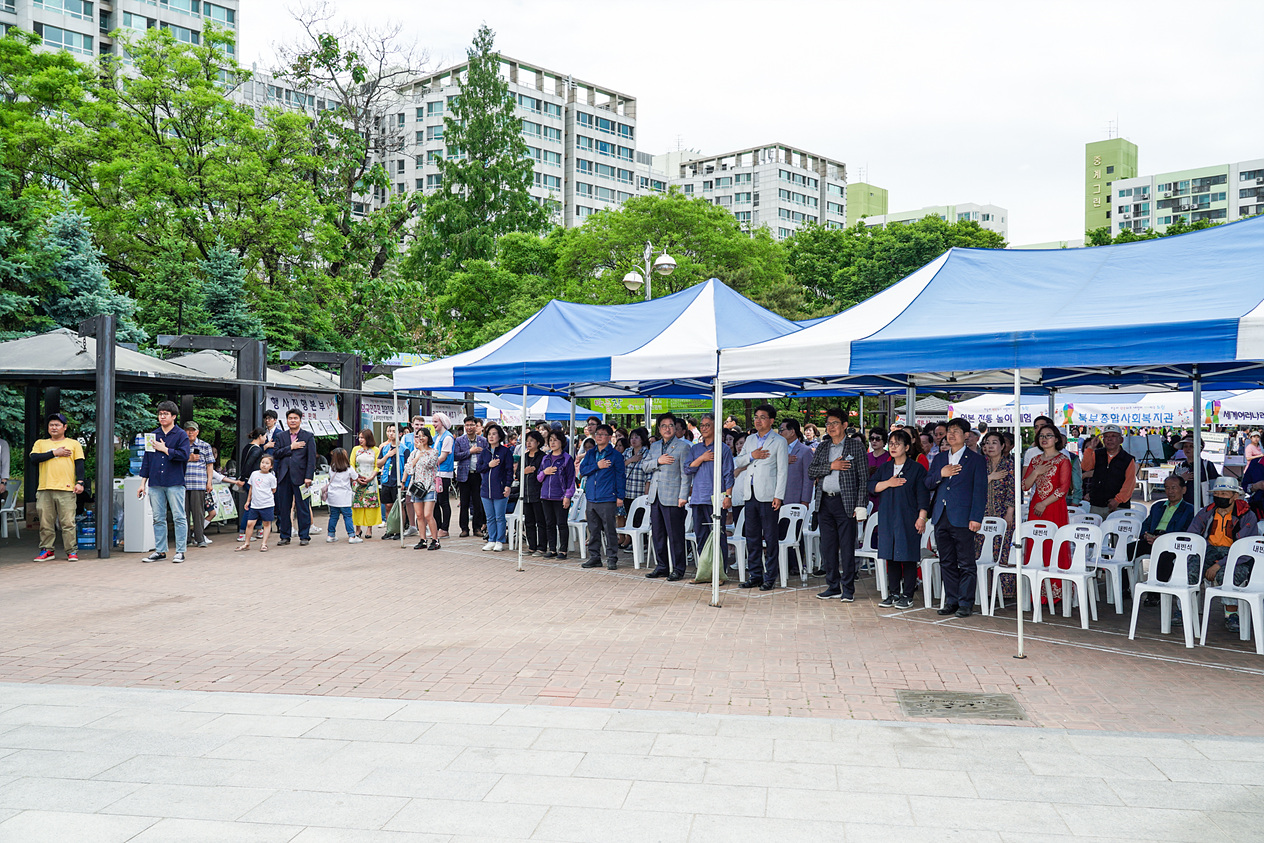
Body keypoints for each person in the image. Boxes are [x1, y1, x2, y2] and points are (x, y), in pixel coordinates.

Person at [924, 418, 987, 617]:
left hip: (963, 517)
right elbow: (928, 483)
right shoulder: (940, 458)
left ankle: (966, 603)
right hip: (941, 516)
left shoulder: (976, 459)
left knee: (966, 562)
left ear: (967, 435)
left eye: (956, 431)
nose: (951, 435)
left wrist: (976, 517)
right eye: (949, 431)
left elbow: (980, 491)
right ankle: (951, 600)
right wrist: (940, 474)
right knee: (946, 561)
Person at [1185, 478, 1259, 632]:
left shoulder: (1247, 515)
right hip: (1208, 550)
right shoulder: (1206, 512)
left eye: (1224, 493)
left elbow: (1244, 548)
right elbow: (1192, 535)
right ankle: (1183, 610)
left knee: (1228, 576)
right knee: (1188, 570)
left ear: (1235, 496)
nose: (1220, 497)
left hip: (1236, 555)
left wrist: (1219, 564)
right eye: (1217, 493)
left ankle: (1231, 614)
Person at [808, 408, 868, 600]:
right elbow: (811, 471)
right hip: (825, 501)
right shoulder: (823, 447)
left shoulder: (855, 447)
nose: (830, 427)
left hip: (846, 503)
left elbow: (863, 478)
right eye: (828, 423)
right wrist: (831, 466)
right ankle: (832, 585)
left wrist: (860, 505)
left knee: (847, 547)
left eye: (834, 423)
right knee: (828, 546)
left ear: (844, 425)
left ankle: (848, 589)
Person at [869, 429, 930, 609]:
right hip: (888, 517)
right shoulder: (886, 468)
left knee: (908, 556)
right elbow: (871, 486)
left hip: (908, 517)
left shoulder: (916, 468)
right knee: (891, 555)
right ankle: (893, 593)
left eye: (897, 444)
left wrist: (922, 518)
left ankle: (907, 595)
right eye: (891, 444)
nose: (893, 447)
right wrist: (888, 483)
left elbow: (923, 496)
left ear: (907, 447)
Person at [732, 405, 789, 590]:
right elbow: (738, 461)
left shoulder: (779, 441)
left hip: (768, 495)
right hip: (750, 494)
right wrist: (752, 455)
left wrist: (778, 496)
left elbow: (782, 471)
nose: (758, 420)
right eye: (756, 417)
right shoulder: (749, 439)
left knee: (770, 538)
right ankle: (755, 575)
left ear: (772, 420)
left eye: (762, 417)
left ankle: (770, 577)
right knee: (752, 537)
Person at [1022, 425, 1072, 603]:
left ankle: (1055, 592)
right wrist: (1036, 472)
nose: (1044, 439)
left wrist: (1044, 503)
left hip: (1053, 507)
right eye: (1042, 436)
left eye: (1049, 436)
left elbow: (1064, 488)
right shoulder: (1035, 460)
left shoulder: (1063, 460)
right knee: (1036, 544)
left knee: (1052, 545)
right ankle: (1037, 593)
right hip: (1036, 506)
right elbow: (1025, 486)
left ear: (1057, 439)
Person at [138, 401, 191, 564]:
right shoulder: (153, 435)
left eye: (166, 414)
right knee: (158, 517)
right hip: (155, 482)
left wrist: (165, 449)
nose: (162, 416)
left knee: (179, 517)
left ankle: (180, 551)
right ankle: (160, 551)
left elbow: (184, 455)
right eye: (160, 413)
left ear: (174, 416)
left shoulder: (181, 435)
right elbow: (147, 460)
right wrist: (142, 483)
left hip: (174, 482)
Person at [682, 413, 735, 574]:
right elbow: (687, 468)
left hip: (716, 499)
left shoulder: (723, 449)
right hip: (698, 498)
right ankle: (705, 572)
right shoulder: (695, 448)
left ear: (715, 427)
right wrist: (702, 458)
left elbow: (728, 474)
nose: (704, 428)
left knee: (718, 537)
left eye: (707, 425)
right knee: (701, 537)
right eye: (702, 425)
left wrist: (728, 496)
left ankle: (720, 572)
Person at [29, 412, 85, 562]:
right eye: (51, 425)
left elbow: (80, 464)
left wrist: (80, 482)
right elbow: (34, 459)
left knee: (68, 522)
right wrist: (55, 453)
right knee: (45, 523)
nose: (54, 427)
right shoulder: (40, 443)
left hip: (66, 489)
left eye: (57, 425)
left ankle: (71, 551)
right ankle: (47, 550)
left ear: (64, 427)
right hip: (44, 488)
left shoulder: (74, 444)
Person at [644, 413, 693, 581]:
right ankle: (662, 566)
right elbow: (645, 466)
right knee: (657, 534)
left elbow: (686, 474)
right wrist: (658, 460)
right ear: (659, 429)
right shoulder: (655, 446)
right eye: (664, 426)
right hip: (655, 496)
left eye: (671, 425)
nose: (667, 428)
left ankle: (678, 569)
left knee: (675, 535)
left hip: (673, 496)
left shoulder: (683, 446)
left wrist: (683, 496)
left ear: (676, 428)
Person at [579, 424, 626, 570]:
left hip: (607, 497)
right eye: (597, 434)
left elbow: (620, 476)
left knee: (609, 529)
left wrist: (620, 496)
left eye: (603, 434)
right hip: (592, 497)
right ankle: (595, 557)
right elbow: (583, 470)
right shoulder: (591, 453)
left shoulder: (615, 455)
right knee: (593, 529)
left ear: (609, 437)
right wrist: (597, 466)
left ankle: (612, 558)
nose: (599, 436)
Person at [978, 430, 1016, 599]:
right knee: (981, 549)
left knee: (1003, 549)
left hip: (1002, 513)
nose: (990, 446)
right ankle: (984, 588)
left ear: (1002, 446)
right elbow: (973, 486)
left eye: (994, 442)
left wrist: (1010, 512)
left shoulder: (1010, 465)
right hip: (982, 513)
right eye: (987, 443)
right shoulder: (979, 464)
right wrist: (990, 477)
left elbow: (1013, 489)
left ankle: (1004, 590)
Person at [271, 409, 317, 547]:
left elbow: (311, 459)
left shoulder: (308, 436)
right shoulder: (281, 436)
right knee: (284, 508)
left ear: (300, 420)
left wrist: (309, 476)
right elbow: (276, 454)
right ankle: (285, 536)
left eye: (295, 418)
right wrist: (291, 447)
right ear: (286, 420)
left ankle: (304, 536)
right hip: (284, 477)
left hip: (302, 478)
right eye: (290, 418)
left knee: (302, 507)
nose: (292, 420)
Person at [1080, 424, 1136, 518]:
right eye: (1106, 437)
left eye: (1113, 436)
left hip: (1119, 506)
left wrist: (1117, 500)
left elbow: (1129, 483)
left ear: (1121, 440)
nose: (1109, 439)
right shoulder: (1097, 454)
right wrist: (1090, 448)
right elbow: (1086, 467)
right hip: (1097, 505)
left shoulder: (1128, 459)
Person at [477, 423, 513, 552]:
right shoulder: (484, 452)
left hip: (501, 488)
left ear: (499, 436)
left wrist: (508, 486)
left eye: (494, 434)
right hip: (486, 489)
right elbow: (479, 468)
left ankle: (500, 540)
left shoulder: (505, 451)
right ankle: (491, 539)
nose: (491, 437)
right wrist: (489, 465)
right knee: (490, 517)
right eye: (489, 434)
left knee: (499, 517)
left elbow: (509, 471)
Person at [539, 430, 576, 559]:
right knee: (549, 523)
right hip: (546, 496)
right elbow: (538, 477)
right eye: (550, 440)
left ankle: (563, 550)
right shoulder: (546, 458)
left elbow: (571, 479)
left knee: (561, 523)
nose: (552, 442)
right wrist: (545, 472)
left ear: (561, 441)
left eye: (555, 440)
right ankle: (552, 548)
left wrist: (567, 496)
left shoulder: (567, 458)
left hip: (560, 496)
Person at [1138, 475, 1194, 557]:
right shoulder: (1157, 506)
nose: (1170, 491)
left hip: (1171, 543)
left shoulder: (1189, 509)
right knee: (1127, 550)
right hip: (1152, 539)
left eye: (1173, 488)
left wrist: (1163, 538)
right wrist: (1146, 535)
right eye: (1167, 488)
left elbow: (1186, 532)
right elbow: (1146, 525)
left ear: (1183, 490)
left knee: (1165, 557)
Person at [405, 429, 442, 550]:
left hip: (429, 487)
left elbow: (429, 464)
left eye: (423, 436)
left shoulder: (433, 452)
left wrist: (422, 451)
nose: (421, 438)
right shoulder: (414, 453)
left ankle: (435, 540)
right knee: (419, 515)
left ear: (428, 437)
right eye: (418, 436)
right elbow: (409, 468)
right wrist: (417, 456)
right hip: (416, 487)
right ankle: (423, 539)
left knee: (428, 515)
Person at [181, 421, 214, 549]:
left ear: (197, 432)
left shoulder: (205, 446)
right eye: (188, 430)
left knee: (198, 512)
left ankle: (200, 538)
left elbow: (210, 465)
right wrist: (188, 458)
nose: (190, 432)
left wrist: (209, 482)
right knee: (183, 513)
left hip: (199, 483)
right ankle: (186, 538)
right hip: (182, 483)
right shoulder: (181, 446)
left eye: (193, 430)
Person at [453, 417, 487, 538]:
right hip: (464, 475)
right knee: (464, 502)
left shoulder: (483, 440)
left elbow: (487, 456)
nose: (469, 427)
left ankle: (477, 527)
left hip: (478, 475)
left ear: (477, 426)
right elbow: (456, 456)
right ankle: (464, 528)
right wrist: (470, 451)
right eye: (467, 425)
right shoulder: (459, 441)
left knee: (478, 502)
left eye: (472, 425)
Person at [236, 454, 277, 552]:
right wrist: (248, 501)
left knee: (266, 524)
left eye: (267, 463)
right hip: (255, 504)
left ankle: (264, 544)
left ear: (271, 466)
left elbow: (273, 490)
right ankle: (247, 543)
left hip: (267, 504)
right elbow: (251, 488)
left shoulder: (271, 477)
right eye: (263, 462)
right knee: (250, 523)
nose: (264, 465)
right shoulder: (254, 474)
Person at [235, 428, 267, 542]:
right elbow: (249, 464)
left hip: (248, 480)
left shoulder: (247, 447)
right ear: (260, 436)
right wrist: (244, 478)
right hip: (252, 481)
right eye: (265, 436)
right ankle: (242, 532)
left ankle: (258, 529)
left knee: (256, 504)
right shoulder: (257, 450)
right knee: (250, 506)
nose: (266, 438)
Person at [322, 448, 360, 543]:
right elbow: (355, 477)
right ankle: (352, 536)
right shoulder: (348, 468)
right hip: (344, 496)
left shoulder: (332, 468)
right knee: (347, 516)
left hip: (333, 496)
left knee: (333, 516)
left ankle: (330, 535)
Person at [518, 430, 547, 556]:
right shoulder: (523, 457)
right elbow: (518, 474)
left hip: (538, 493)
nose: (528, 443)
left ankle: (542, 547)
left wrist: (533, 471)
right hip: (526, 493)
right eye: (527, 441)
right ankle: (532, 546)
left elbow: (542, 474)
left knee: (540, 521)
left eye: (531, 441)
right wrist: (524, 472)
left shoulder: (542, 457)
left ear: (538, 442)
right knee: (529, 522)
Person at [350, 429, 381, 539]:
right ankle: (357, 528)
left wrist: (371, 477)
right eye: (359, 437)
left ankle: (369, 528)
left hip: (371, 481)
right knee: (357, 504)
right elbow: (351, 464)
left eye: (363, 437)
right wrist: (356, 478)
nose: (360, 440)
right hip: (358, 480)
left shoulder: (375, 450)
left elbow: (377, 465)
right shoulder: (355, 450)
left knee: (370, 504)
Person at [1173, 436, 1220, 506]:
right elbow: (1171, 486)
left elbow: (1215, 487)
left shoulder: (1207, 465)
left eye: (1191, 446)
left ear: (1199, 448)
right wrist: (1181, 479)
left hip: (1203, 506)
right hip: (1183, 506)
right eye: (1185, 446)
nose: (1188, 449)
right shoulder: (1179, 467)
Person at [431, 412, 456, 537]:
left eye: (436, 421)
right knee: (434, 502)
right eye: (433, 421)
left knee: (443, 501)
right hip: (435, 473)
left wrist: (429, 463)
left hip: (444, 474)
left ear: (443, 422)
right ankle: (437, 527)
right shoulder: (436, 437)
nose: (434, 424)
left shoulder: (447, 437)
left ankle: (444, 528)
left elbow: (443, 457)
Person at [377, 425, 400, 529]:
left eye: (394, 431)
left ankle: (399, 529)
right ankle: (389, 528)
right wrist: (388, 455)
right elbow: (378, 463)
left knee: (398, 507)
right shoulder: (385, 448)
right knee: (388, 506)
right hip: (386, 479)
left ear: (400, 433)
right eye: (389, 431)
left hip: (398, 481)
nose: (391, 433)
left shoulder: (403, 448)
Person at [866, 426, 891, 508]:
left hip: (884, 496)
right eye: (871, 438)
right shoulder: (865, 457)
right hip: (867, 496)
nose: (874, 441)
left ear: (884, 441)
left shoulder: (890, 457)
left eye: (877, 439)